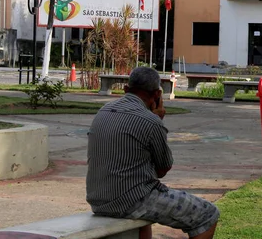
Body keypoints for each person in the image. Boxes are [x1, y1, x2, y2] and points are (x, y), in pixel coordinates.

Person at [86, 67, 219, 239]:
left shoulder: (103, 111)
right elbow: (163, 169)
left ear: (126, 89)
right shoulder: (151, 121)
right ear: (157, 94)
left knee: (145, 214)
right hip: (131, 201)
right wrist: (158, 120)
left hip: (97, 199)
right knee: (207, 214)